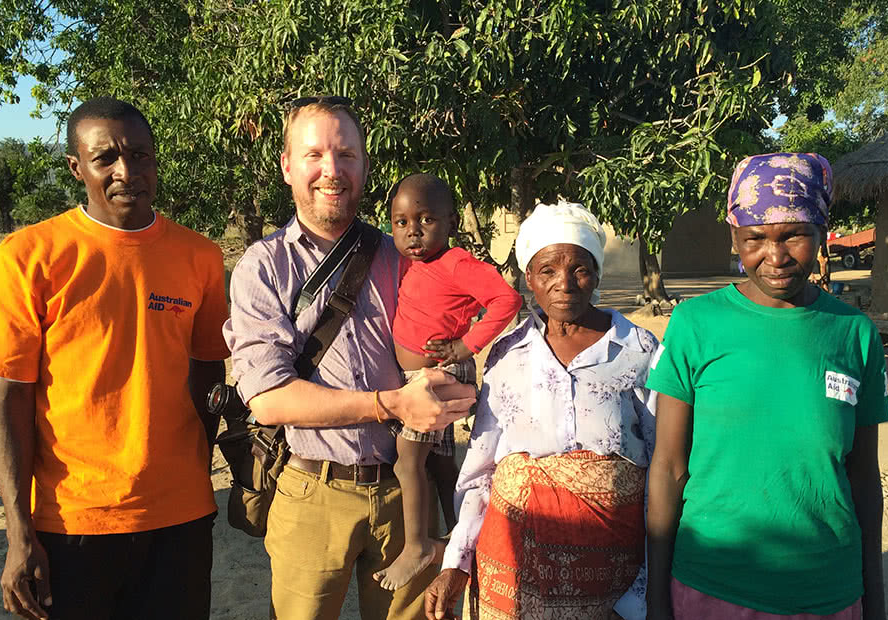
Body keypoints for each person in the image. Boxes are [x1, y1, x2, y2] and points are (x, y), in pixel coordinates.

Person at [0, 97, 230, 620]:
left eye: (139, 155)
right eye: (105, 158)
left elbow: (209, 374)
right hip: (71, 522)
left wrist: (196, 476)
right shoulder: (27, 256)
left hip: (180, 517)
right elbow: (8, 400)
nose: (125, 172)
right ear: (76, 167)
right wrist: (18, 533)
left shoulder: (200, 256)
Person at [223, 97, 477, 620]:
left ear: (364, 165)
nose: (331, 171)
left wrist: (454, 373)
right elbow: (268, 400)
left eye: (347, 155)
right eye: (314, 154)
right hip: (313, 491)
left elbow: (445, 342)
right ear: (287, 165)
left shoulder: (406, 256)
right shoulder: (263, 267)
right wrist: (394, 404)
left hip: (409, 496)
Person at [646, 153, 888, 620]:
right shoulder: (696, 324)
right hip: (712, 586)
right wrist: (658, 600)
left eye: (793, 235)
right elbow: (669, 467)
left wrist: (873, 599)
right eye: (754, 239)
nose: (774, 257)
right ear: (734, 237)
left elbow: (863, 477)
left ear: (820, 231)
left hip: (828, 590)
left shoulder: (854, 333)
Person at [425, 201, 657, 620]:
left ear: (597, 274)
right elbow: (480, 473)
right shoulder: (508, 356)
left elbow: (663, 469)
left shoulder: (639, 350)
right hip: (511, 568)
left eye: (579, 269)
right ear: (528, 277)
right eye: (547, 270)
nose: (564, 284)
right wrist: (456, 564)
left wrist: (645, 590)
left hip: (612, 573)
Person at [373, 173, 522, 591]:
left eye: (425, 220)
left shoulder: (457, 264)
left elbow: (508, 300)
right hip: (417, 378)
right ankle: (459, 534)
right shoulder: (413, 263)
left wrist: (466, 344)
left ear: (451, 223)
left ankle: (417, 546)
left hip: (437, 376)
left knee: (407, 461)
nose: (412, 231)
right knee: (439, 464)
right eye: (400, 222)